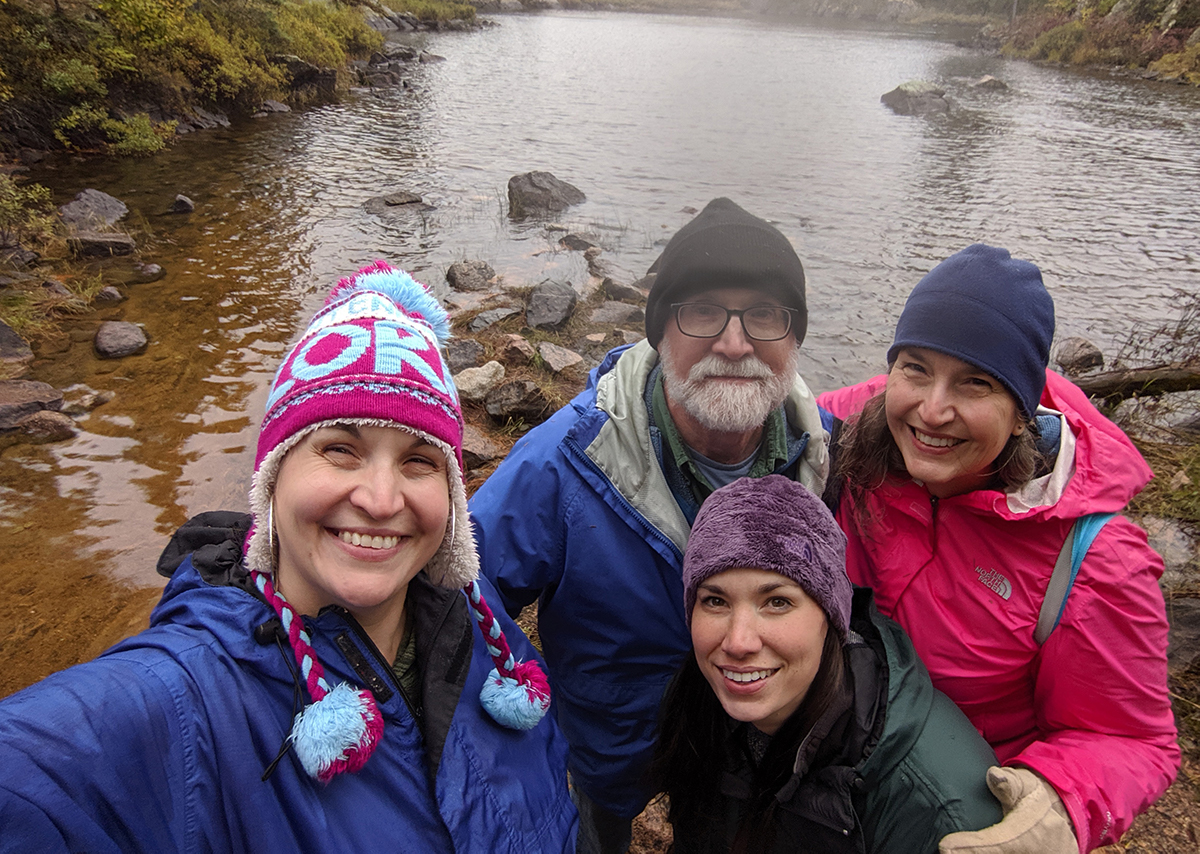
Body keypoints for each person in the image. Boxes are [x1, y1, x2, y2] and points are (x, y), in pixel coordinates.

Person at [0, 262, 578, 853]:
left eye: (419, 461)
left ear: (451, 496)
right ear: (271, 479)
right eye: (340, 449)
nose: (381, 500)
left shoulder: (489, 633)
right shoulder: (185, 696)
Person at [470, 197, 830, 853]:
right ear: (660, 332)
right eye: (702, 311)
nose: (733, 340)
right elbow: (462, 592)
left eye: (764, 314)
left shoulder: (825, 455)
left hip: (747, 753)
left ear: (795, 338)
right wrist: (519, 735)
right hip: (609, 750)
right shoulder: (566, 462)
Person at [819, 244, 1179, 854]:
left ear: (1021, 411)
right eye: (915, 369)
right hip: (839, 742)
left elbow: (1131, 738)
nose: (932, 410)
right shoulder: (857, 428)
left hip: (954, 798)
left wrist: (1060, 802)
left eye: (975, 383)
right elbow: (757, 415)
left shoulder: (1092, 560)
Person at [652, 474, 1004, 854]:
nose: (738, 642)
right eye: (715, 601)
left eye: (777, 602)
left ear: (831, 619)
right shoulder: (698, 701)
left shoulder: (941, 811)